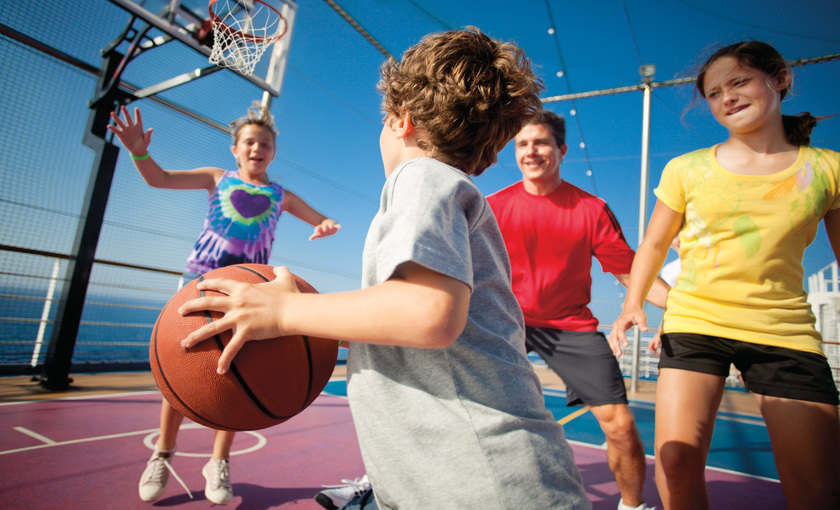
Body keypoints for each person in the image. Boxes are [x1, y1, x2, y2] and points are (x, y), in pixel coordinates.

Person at [180, 27, 591, 509]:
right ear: (490, 151)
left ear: (403, 119)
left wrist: (285, 313)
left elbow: (428, 314)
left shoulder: (420, 177)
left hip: (484, 479)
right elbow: (421, 323)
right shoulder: (446, 191)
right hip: (467, 478)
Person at [609, 40, 840, 510]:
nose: (727, 98)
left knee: (818, 488)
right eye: (714, 93)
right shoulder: (686, 169)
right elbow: (652, 245)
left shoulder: (827, 169)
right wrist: (632, 304)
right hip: (696, 321)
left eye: (738, 82)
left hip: (785, 331)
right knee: (675, 462)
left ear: (780, 80)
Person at [107, 103, 341, 505]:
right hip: (200, 285)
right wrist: (138, 151)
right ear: (235, 149)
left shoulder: (280, 195)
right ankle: (163, 453)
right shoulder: (218, 179)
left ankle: (218, 461)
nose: (257, 148)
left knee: (234, 370)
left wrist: (323, 225)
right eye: (249, 141)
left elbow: (317, 217)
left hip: (251, 294)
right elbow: (158, 178)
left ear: (273, 152)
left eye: (264, 143)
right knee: (181, 365)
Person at [487, 109, 669, 510]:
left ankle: (632, 507)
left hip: (569, 326)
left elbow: (629, 272)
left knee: (620, 426)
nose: (530, 152)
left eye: (540, 143)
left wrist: (682, 307)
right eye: (522, 144)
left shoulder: (590, 208)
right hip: (506, 322)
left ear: (561, 149)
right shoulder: (492, 207)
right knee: (445, 399)